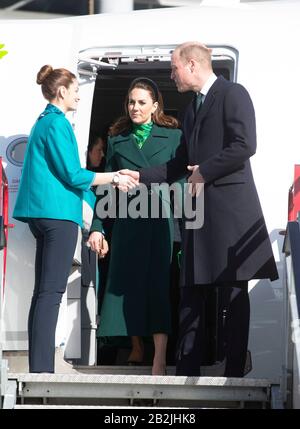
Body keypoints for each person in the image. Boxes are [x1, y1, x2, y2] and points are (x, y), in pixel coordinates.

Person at [121, 42, 279, 377]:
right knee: (190, 290)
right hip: (200, 213)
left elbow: (244, 144)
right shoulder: (191, 108)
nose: (171, 75)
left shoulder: (233, 94)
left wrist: (204, 171)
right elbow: (179, 163)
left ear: (192, 65)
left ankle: (234, 372)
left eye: (173, 68)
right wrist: (140, 175)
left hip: (231, 211)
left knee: (233, 291)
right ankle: (186, 372)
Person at [12, 65, 137, 374]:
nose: (80, 95)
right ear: (62, 92)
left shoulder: (44, 122)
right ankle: (42, 369)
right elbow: (72, 174)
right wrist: (114, 177)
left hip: (43, 213)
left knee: (43, 292)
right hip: (58, 215)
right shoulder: (57, 125)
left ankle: (39, 366)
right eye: (76, 90)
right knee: (51, 293)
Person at [88, 77, 182, 375]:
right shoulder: (116, 141)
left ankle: (159, 357)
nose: (135, 107)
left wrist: (187, 231)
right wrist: (98, 227)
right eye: (131, 102)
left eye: (141, 102)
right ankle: (137, 346)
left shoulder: (174, 137)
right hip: (128, 224)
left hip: (159, 223)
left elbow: (181, 183)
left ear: (155, 106)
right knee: (124, 286)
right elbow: (107, 189)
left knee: (157, 288)